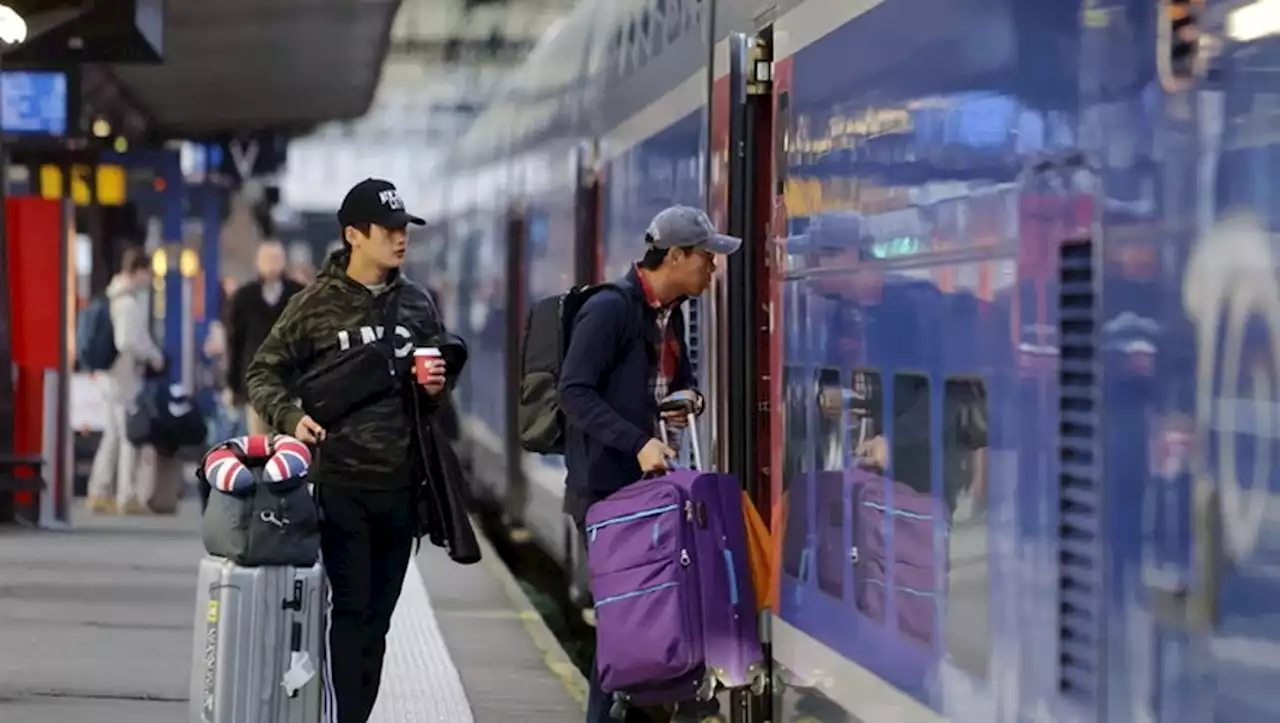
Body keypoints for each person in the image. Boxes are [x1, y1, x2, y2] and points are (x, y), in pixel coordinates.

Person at [245, 178, 454, 723]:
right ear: (354, 236)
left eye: (404, 229)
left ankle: (356, 713)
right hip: (342, 484)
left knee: (379, 621)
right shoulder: (313, 305)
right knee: (352, 611)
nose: (401, 239)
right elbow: (262, 372)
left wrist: (436, 388)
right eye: (388, 230)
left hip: (403, 487)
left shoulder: (417, 304)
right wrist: (291, 418)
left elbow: (434, 386)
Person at [557, 206, 741, 723]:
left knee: (660, 619)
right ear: (677, 256)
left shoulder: (671, 312)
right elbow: (573, 391)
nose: (714, 268)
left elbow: (667, 382)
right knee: (627, 626)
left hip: (653, 492)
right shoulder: (610, 310)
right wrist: (637, 441)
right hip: (608, 494)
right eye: (706, 258)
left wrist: (686, 398)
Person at [86, 247, 165, 515]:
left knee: (113, 435)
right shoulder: (128, 302)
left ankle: (99, 490)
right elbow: (127, 341)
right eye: (147, 273)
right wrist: (153, 356)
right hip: (124, 376)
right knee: (130, 435)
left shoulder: (112, 295)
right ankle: (126, 495)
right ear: (138, 271)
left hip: (110, 376)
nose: (148, 279)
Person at [226, 240, 306, 435]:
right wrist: (233, 385)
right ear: (257, 262)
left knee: (289, 448)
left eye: (276, 258)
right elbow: (235, 342)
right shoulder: (244, 297)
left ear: (284, 261)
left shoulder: (299, 294)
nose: (271, 264)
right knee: (260, 446)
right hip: (256, 386)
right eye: (266, 259)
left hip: (291, 384)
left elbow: (309, 340)